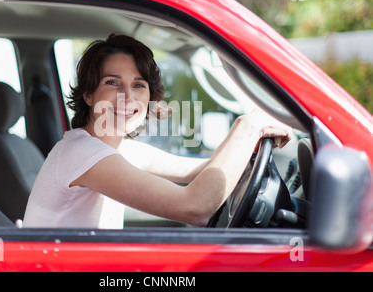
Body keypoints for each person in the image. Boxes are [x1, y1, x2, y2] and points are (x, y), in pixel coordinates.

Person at [23, 34, 293, 229]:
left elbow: (198, 170)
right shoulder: (83, 152)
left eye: (138, 85)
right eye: (112, 83)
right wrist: (246, 127)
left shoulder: (116, 149)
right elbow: (194, 208)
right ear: (89, 96)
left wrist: (245, 151)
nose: (127, 97)